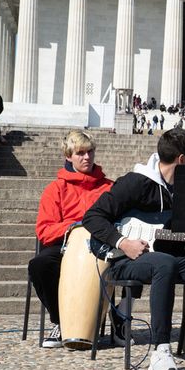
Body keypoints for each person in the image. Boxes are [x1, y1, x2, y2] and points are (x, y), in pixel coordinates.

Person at [82, 129, 185, 370]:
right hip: (123, 259)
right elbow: (92, 217)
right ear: (182, 159)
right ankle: (160, 348)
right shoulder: (135, 182)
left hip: (163, 257)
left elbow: (170, 240)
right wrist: (123, 242)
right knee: (164, 264)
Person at [28, 130, 114, 348]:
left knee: (135, 257)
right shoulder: (55, 189)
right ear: (69, 156)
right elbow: (44, 231)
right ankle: (61, 321)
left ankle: (120, 316)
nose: (87, 157)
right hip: (65, 248)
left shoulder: (109, 187)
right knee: (40, 265)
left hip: (102, 247)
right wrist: (74, 227)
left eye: (90, 152)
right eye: (80, 153)